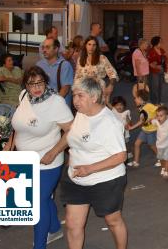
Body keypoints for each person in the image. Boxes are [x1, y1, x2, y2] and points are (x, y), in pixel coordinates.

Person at [5, 66, 73, 249]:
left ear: (45, 81)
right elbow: (17, 126)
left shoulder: (56, 102)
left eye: (40, 82)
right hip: (24, 161)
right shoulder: (23, 97)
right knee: (43, 199)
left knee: (36, 201)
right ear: (25, 85)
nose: (36, 87)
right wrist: (9, 146)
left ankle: (39, 245)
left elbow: (71, 130)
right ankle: (55, 228)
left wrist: (54, 152)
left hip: (47, 162)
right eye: (31, 83)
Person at [61, 77, 127, 249]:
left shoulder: (109, 122)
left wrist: (89, 168)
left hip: (106, 181)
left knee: (113, 221)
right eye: (74, 95)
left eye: (80, 96)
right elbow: (71, 135)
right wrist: (54, 151)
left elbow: (121, 156)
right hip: (76, 179)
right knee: (73, 224)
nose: (75, 100)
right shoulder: (81, 114)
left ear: (94, 97)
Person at [75, 36, 118, 105]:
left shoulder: (102, 58)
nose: (91, 47)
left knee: (98, 112)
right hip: (84, 90)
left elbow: (113, 73)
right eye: (89, 44)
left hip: (98, 90)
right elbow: (77, 76)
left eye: (94, 45)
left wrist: (111, 85)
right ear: (85, 45)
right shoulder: (80, 59)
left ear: (96, 47)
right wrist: (76, 92)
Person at [36, 38, 74, 107]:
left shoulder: (65, 65)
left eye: (47, 47)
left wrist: (52, 105)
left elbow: (65, 89)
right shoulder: (39, 65)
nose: (44, 50)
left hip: (60, 107)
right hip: (42, 105)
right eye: (43, 47)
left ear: (56, 49)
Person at [127, 90, 158, 168]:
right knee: (136, 144)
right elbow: (141, 121)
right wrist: (131, 128)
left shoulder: (149, 106)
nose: (134, 100)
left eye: (136, 98)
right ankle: (136, 162)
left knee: (152, 146)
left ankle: (161, 159)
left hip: (151, 131)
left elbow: (160, 111)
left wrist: (154, 118)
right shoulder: (140, 107)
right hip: (144, 130)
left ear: (140, 99)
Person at [151, 105, 168, 178]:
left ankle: (166, 172)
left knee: (167, 158)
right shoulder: (156, 122)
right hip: (159, 145)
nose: (159, 117)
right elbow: (151, 121)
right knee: (160, 158)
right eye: (157, 115)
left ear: (167, 116)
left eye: (161, 116)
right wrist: (153, 118)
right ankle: (163, 168)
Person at [147, 36, 167, 105]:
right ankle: (154, 102)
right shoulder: (151, 51)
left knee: (160, 87)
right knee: (154, 87)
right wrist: (156, 66)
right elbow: (149, 63)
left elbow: (165, 59)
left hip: (161, 71)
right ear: (156, 43)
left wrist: (165, 62)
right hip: (154, 72)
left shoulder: (162, 50)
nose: (161, 43)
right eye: (160, 42)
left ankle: (158, 101)